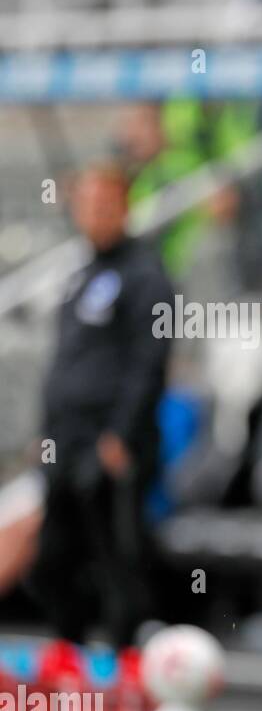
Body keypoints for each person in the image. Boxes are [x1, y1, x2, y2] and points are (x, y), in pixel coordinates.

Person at [28, 164, 172, 652]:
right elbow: (67, 361)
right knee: (51, 558)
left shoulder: (145, 275)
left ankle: (123, 661)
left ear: (125, 208)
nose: (94, 213)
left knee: (116, 556)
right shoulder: (80, 273)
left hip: (109, 444)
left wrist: (121, 434)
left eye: (104, 204)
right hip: (65, 442)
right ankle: (68, 653)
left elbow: (149, 363)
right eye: (86, 203)